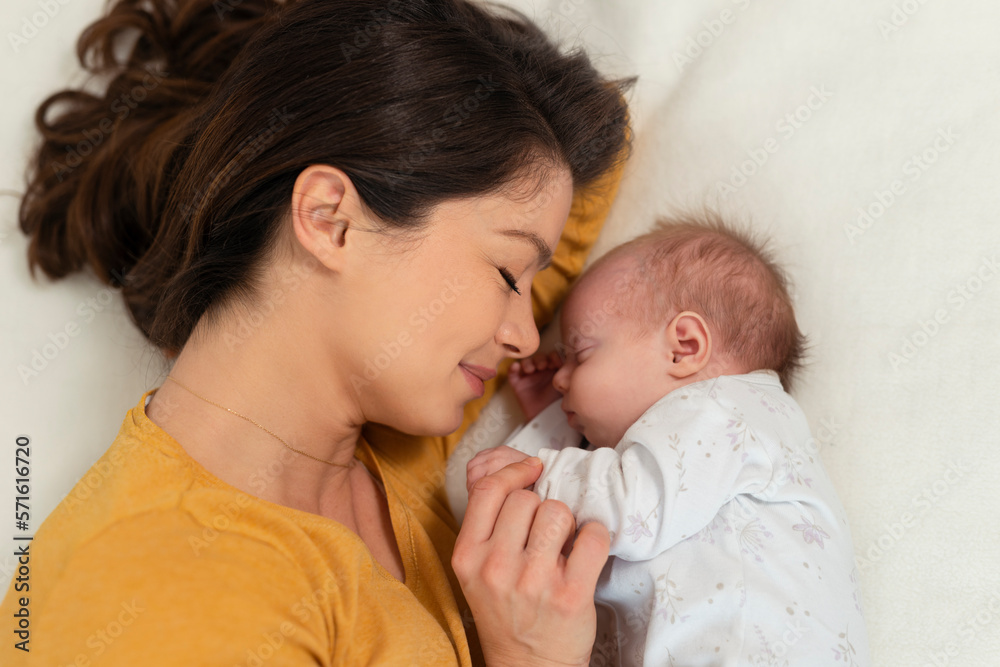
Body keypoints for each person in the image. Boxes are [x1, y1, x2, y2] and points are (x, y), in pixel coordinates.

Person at [0, 0, 634, 664]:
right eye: (507, 274)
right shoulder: (157, 595)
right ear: (332, 221)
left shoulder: (387, 446)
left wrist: (353, 60)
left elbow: (586, 157)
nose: (527, 338)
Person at [465, 216, 871, 666]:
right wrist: (559, 422)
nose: (561, 378)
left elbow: (629, 508)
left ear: (684, 347)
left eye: (579, 354)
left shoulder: (725, 409)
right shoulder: (686, 452)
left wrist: (539, 466)